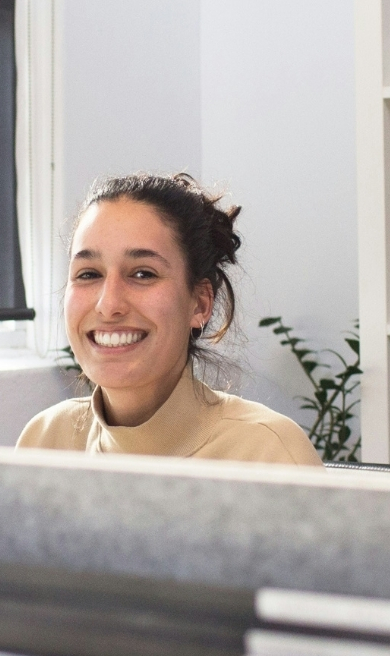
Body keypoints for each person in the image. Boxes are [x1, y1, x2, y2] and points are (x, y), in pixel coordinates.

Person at [17, 173, 322, 466]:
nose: (108, 305)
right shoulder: (45, 441)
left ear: (200, 304)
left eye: (143, 274)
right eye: (89, 274)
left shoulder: (268, 453)